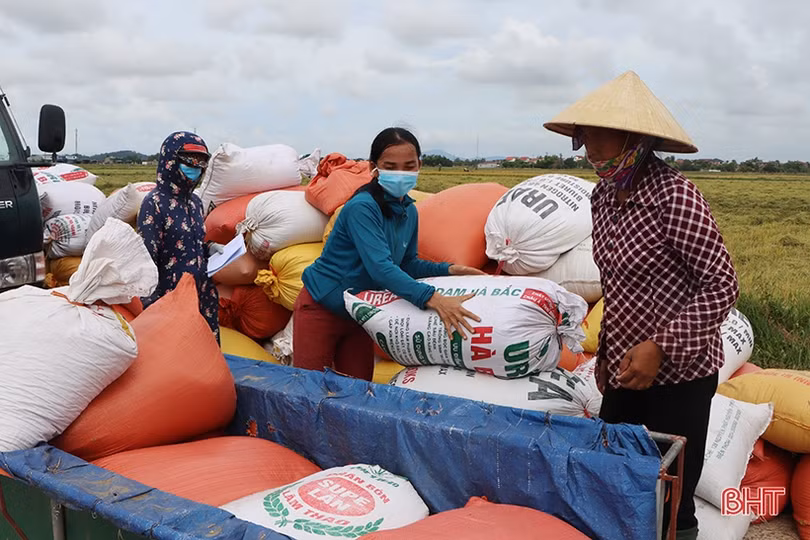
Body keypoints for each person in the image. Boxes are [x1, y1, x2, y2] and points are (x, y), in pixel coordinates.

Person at [544, 71, 739, 540]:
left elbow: (721, 284)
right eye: (580, 135)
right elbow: (617, 286)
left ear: (631, 136)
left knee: (672, 494)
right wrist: (609, 352)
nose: (584, 145)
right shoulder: (603, 196)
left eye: (592, 134)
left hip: (682, 375)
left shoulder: (674, 195)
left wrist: (661, 347)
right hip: (628, 369)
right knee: (616, 474)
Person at [293, 127, 484, 380]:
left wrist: (448, 270)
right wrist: (433, 298)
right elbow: (381, 269)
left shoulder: (408, 211)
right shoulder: (362, 208)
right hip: (322, 308)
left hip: (360, 312)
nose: (400, 174)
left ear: (419, 165)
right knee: (309, 390)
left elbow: (407, 263)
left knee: (359, 391)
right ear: (374, 167)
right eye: (391, 166)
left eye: (408, 166)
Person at [138, 131, 221, 344]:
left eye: (201, 161)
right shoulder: (154, 203)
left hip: (201, 294)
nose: (196, 166)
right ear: (171, 160)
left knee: (205, 354)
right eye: (190, 160)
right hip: (171, 298)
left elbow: (188, 243)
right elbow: (147, 260)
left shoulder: (195, 202)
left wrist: (208, 248)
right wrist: (152, 308)